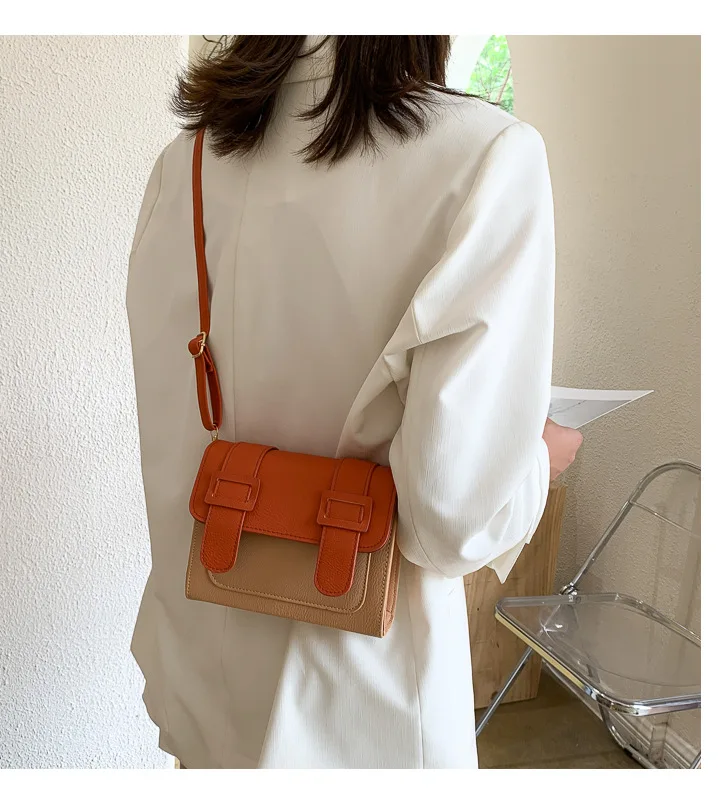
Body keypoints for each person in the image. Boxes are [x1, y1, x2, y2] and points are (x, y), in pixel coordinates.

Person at [126, 35, 583, 769]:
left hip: (203, 674)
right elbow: (453, 519)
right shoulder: (486, 157)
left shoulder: (187, 161)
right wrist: (538, 461)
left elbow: (171, 421)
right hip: (362, 712)